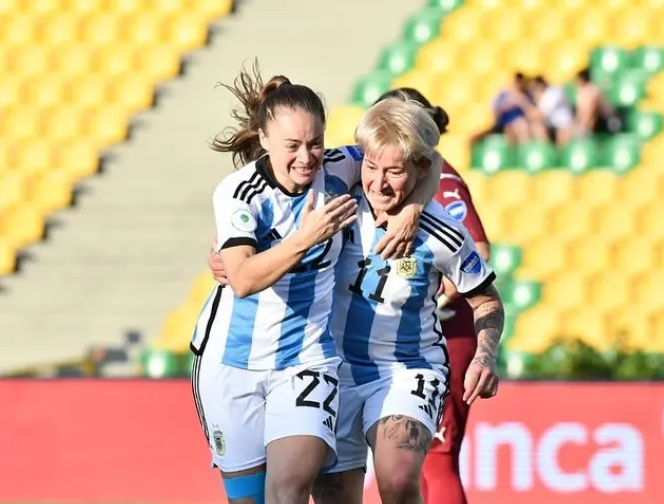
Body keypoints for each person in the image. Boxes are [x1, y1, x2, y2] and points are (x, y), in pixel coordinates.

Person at [192, 62, 438, 504]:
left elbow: (424, 159)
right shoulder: (238, 193)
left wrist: (413, 209)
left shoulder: (341, 167)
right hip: (232, 361)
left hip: (306, 359)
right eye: (292, 146)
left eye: (315, 143)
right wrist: (305, 238)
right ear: (264, 139)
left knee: (289, 490)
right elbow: (243, 280)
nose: (306, 157)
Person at [311, 96, 505, 504]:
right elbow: (279, 174)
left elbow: (487, 302)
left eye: (395, 172)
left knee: (397, 480)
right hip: (332, 369)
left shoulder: (443, 233)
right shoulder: (337, 200)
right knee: (332, 495)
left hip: (406, 370)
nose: (379, 183)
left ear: (419, 168)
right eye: (371, 167)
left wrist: (485, 356)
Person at [371, 88, 492, 504]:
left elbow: (477, 250)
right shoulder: (389, 178)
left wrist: (433, 296)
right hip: (404, 343)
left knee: (438, 459)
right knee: (414, 464)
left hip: (444, 338)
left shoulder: (444, 183)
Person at [574, 68, 621, 137]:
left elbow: (592, 112)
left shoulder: (592, 91)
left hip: (606, 122)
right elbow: (580, 113)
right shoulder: (580, 92)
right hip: (595, 123)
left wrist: (584, 128)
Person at [530, 75, 575, 146]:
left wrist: (521, 100)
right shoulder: (543, 95)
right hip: (552, 126)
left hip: (564, 125)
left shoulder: (553, 92)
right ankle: (544, 150)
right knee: (537, 128)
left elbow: (540, 114)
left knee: (562, 133)